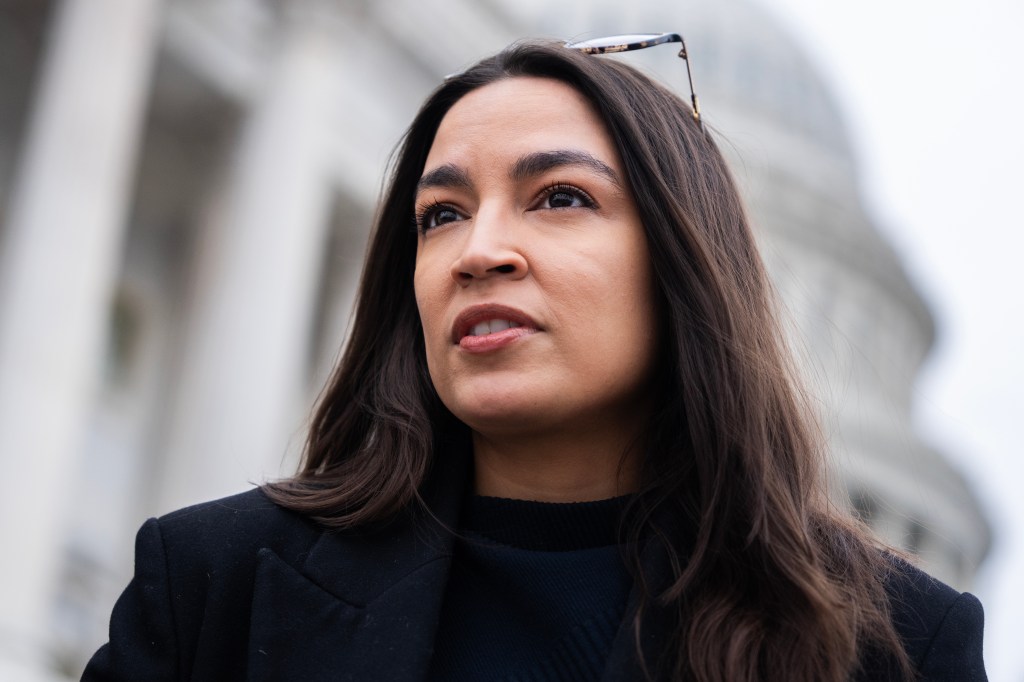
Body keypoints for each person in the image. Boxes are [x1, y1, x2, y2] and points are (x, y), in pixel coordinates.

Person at [82, 37, 987, 682]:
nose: (480, 251)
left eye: (557, 197)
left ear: (681, 262)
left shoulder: (892, 645)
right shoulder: (217, 583)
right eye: (440, 215)